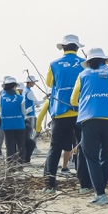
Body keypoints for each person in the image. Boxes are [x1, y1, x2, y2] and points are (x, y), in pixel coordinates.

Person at [69, 48, 108, 205]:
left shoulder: (82, 75)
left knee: (92, 158)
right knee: (106, 156)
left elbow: (73, 99)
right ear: (105, 60)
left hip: (89, 119)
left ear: (88, 62)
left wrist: (84, 103)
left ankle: (101, 193)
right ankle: (101, 191)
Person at [37, 34, 91, 193]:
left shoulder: (54, 64)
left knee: (55, 148)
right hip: (81, 112)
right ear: (77, 48)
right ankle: (85, 185)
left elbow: (49, 83)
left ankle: (49, 185)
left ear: (63, 47)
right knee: (82, 148)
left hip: (60, 111)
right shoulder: (84, 64)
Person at [0, 78, 29, 163]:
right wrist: (29, 110)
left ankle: (10, 165)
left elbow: (0, 112)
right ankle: (20, 164)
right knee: (21, 146)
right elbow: (24, 112)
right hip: (19, 125)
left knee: (10, 146)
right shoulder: (20, 98)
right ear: (14, 86)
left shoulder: (0, 98)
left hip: (7, 126)